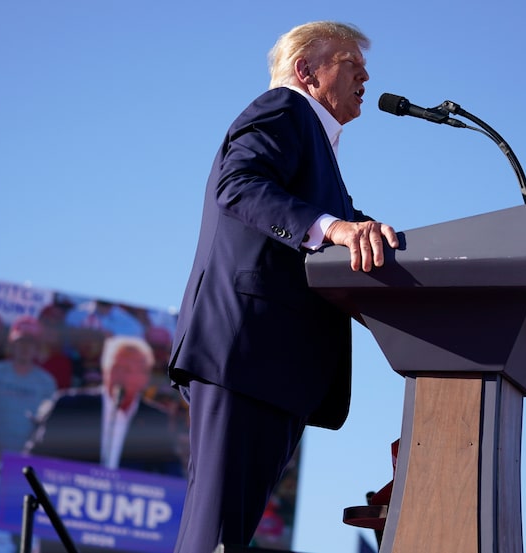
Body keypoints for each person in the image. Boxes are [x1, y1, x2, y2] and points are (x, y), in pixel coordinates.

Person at [167, 21, 399, 552]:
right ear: (306, 72)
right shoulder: (284, 109)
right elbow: (240, 185)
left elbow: (334, 229)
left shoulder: (321, 151)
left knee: (227, 536)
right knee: (216, 537)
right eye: (349, 62)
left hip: (276, 368)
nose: (365, 74)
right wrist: (337, 228)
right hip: (245, 352)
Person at [27, 335, 183, 477]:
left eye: (128, 370)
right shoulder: (69, 406)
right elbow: (36, 457)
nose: (120, 376)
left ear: (144, 378)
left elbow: (170, 474)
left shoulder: (155, 420)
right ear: (104, 370)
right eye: (115, 367)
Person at [0, 316, 57, 463]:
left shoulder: (47, 381)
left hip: (29, 460)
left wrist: (32, 455)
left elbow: (48, 426)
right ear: (11, 345)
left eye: (30, 343)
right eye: (21, 342)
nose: (25, 348)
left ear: (37, 347)